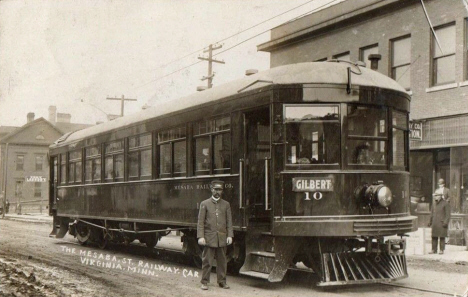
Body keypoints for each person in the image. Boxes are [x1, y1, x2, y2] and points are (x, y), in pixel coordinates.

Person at [197, 180, 233, 290]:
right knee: (207, 261)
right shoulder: (204, 204)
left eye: (220, 190)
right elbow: (200, 222)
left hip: (222, 238)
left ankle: (222, 281)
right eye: (215, 189)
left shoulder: (226, 204)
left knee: (222, 261)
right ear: (211, 190)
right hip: (209, 238)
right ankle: (204, 282)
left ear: (222, 191)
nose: (217, 192)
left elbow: (229, 222)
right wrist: (201, 237)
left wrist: (230, 236)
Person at [428, 179, 451, 254]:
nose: (435, 197)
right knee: (434, 237)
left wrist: (445, 222)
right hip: (435, 222)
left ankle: (441, 250)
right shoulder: (434, 204)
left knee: (442, 237)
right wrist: (430, 222)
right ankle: (433, 249)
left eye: (436, 196)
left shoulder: (445, 203)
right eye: (434, 196)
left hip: (441, 223)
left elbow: (448, 214)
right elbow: (431, 213)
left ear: (440, 196)